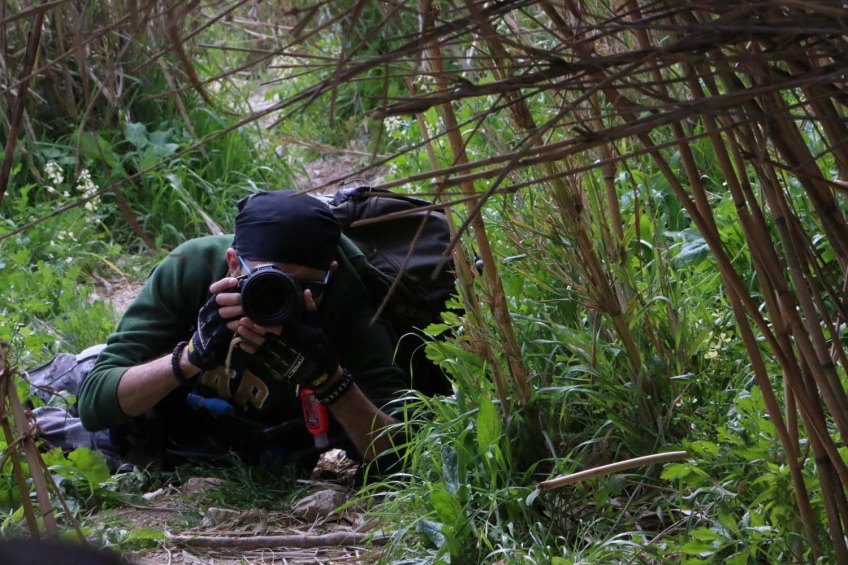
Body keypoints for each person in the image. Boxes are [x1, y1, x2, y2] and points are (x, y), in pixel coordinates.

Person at [78, 190, 409, 470]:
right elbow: (95, 403)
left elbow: (403, 454)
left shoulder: (344, 302)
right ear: (234, 262)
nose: (285, 301)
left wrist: (330, 379)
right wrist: (189, 357)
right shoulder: (191, 270)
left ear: (330, 274)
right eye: (269, 283)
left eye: (305, 287)